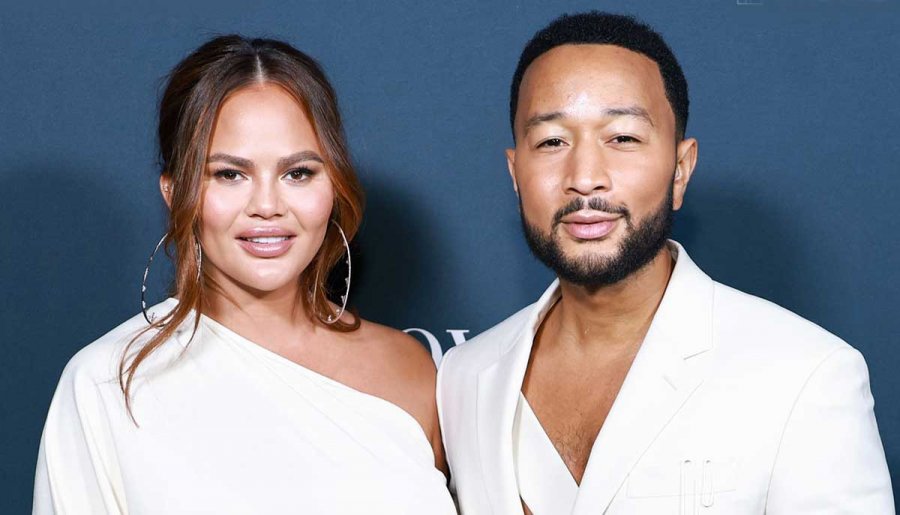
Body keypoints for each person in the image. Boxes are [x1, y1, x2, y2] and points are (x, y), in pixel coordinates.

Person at [437, 11, 893, 515]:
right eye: (551, 142)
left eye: (622, 138)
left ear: (680, 169)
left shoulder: (806, 373)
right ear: (514, 172)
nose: (584, 177)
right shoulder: (464, 377)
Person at [33, 35, 455, 514]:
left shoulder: (409, 369)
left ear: (334, 185)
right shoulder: (107, 384)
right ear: (174, 192)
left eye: (298, 173)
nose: (267, 206)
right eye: (230, 174)